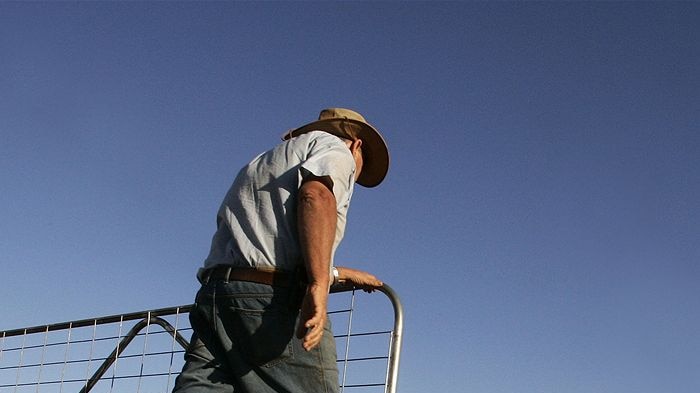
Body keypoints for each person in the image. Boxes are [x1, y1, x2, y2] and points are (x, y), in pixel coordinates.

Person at [172, 108, 390, 393]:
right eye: (362, 164)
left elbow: (261, 245)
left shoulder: (264, 160)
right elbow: (316, 195)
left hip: (217, 296)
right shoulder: (335, 149)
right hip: (272, 301)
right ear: (356, 144)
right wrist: (318, 283)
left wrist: (334, 273)